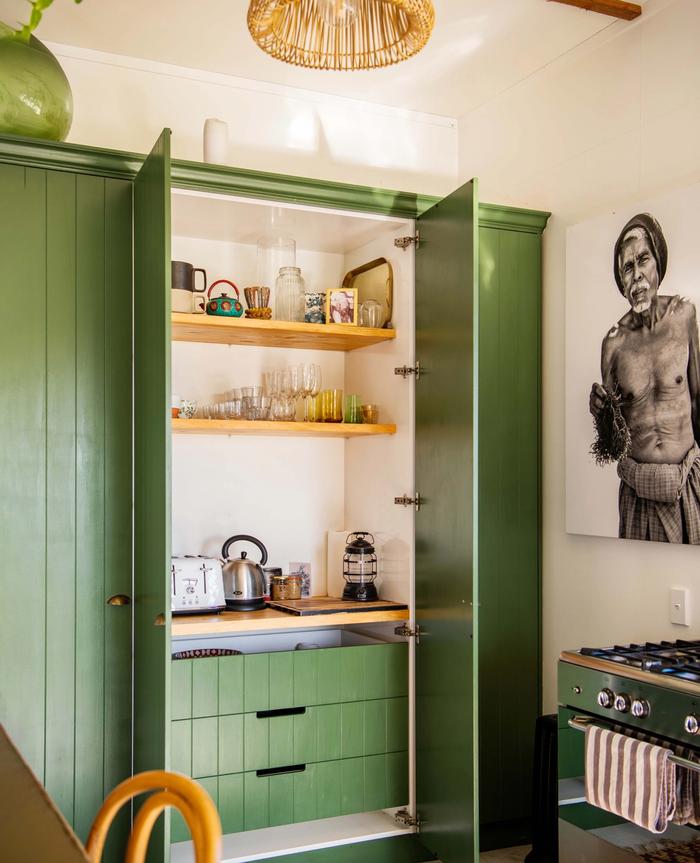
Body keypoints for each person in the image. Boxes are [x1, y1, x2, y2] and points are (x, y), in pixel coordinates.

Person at [589, 213, 700, 543]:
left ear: (658, 264)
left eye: (642, 260)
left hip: (689, 487)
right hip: (640, 495)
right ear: (621, 281)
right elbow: (613, 442)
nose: (636, 276)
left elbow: (698, 400)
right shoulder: (613, 345)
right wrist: (600, 414)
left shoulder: (684, 317)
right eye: (626, 268)